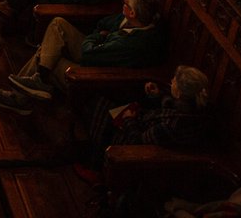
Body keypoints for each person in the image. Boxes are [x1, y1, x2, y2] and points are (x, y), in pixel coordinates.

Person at [0, 0, 168, 115]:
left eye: (125, 5)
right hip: (97, 51)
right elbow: (102, 23)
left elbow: (90, 54)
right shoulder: (128, 21)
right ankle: (36, 83)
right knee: (58, 24)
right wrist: (100, 35)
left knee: (48, 55)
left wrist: (98, 38)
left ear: (132, 13)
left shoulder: (134, 43)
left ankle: (22, 97)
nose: (122, 6)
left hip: (98, 74)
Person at [81, 65, 212, 176]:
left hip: (135, 150)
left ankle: (96, 167)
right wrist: (157, 96)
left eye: (174, 81)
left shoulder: (172, 125)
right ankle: (93, 156)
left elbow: (138, 142)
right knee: (103, 105)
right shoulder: (193, 108)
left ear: (179, 92)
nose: (171, 81)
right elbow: (171, 107)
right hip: (143, 125)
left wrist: (129, 120)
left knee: (102, 109)